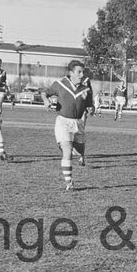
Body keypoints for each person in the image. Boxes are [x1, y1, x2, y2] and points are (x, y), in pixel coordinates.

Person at [42, 60, 95, 191]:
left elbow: (89, 105)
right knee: (67, 150)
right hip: (63, 121)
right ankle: (69, 182)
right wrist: (45, 100)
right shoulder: (60, 84)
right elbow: (44, 92)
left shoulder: (85, 88)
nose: (82, 74)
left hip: (78, 123)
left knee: (79, 150)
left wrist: (92, 108)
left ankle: (80, 155)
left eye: (83, 72)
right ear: (71, 73)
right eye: (79, 72)